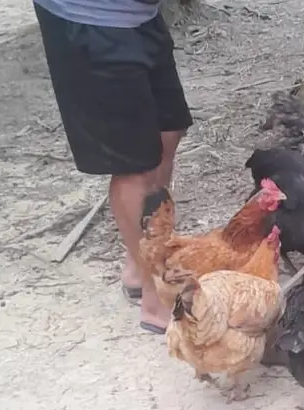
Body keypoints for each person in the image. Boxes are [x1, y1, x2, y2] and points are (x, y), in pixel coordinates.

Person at [33, 0, 193, 334]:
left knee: (168, 132)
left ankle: (140, 261)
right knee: (135, 167)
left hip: (142, 16)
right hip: (92, 20)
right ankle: (155, 297)